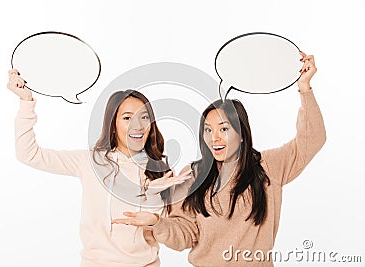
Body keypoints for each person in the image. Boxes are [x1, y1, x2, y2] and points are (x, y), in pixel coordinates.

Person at [111, 52, 327, 266]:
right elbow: (185, 234)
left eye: (223, 129)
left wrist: (305, 88)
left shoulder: (269, 166)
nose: (214, 138)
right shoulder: (193, 175)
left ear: (242, 134)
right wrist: (157, 223)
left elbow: (312, 139)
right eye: (207, 130)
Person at [7, 69, 191, 267]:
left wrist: (154, 197)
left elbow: (170, 232)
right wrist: (26, 103)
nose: (137, 126)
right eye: (127, 118)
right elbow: (29, 154)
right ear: (113, 124)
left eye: (144, 117)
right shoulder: (91, 162)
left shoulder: (161, 173)